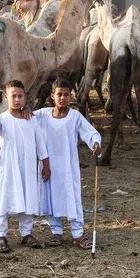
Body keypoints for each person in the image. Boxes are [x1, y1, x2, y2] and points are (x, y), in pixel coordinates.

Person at [0, 80, 51, 253]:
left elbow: (40, 143)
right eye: (13, 96)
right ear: (6, 97)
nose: (17, 99)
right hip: (8, 167)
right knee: (5, 198)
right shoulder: (1, 119)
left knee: (28, 196)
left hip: (28, 166)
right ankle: (1, 235)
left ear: (25, 98)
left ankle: (26, 233)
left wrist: (45, 164)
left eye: (20, 96)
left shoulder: (31, 119)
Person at [35, 79, 102, 249]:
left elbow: (90, 133)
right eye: (59, 94)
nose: (63, 98)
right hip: (49, 166)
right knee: (52, 196)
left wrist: (95, 144)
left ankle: (77, 233)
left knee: (72, 197)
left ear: (71, 96)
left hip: (68, 167)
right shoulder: (42, 115)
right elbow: (24, 120)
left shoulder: (75, 117)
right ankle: (56, 231)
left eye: (66, 94)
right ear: (52, 96)